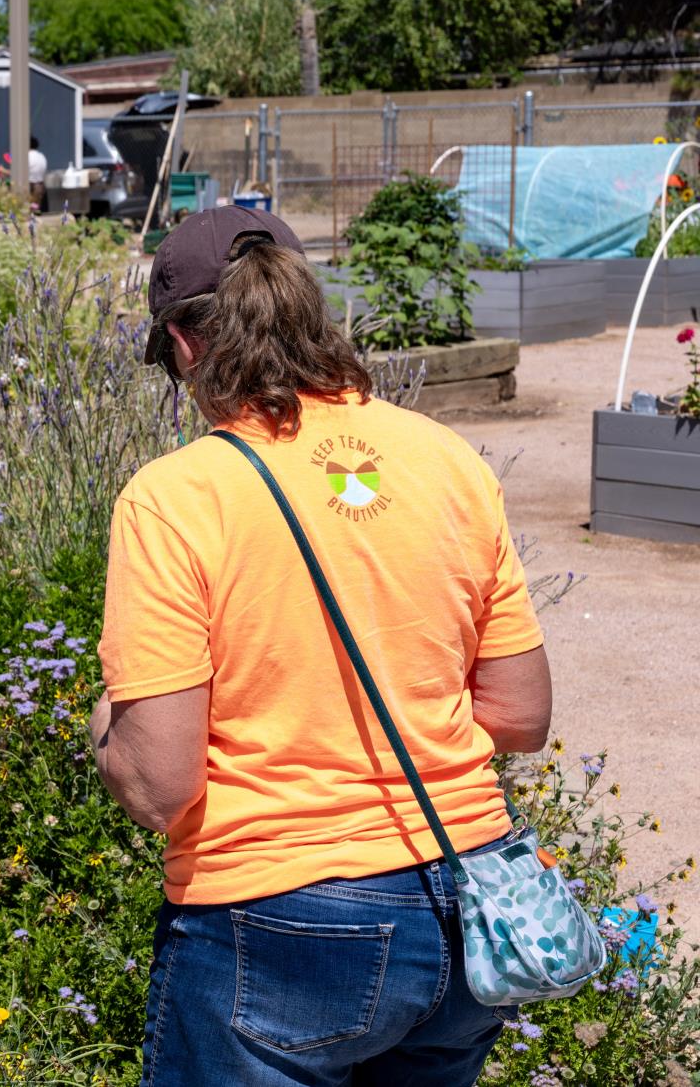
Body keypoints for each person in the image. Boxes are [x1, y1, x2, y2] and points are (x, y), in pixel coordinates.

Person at [93, 208, 552, 1086]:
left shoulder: (175, 497)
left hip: (275, 915)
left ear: (186, 348)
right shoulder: (449, 460)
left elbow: (159, 786)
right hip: (465, 902)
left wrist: (105, 720)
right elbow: (520, 715)